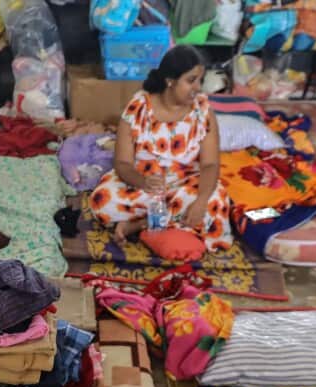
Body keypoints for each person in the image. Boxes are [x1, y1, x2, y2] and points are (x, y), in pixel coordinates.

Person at [89, 45, 232, 251]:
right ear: (170, 81)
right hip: (144, 183)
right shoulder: (138, 108)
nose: (198, 87)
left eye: (200, 80)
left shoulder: (203, 111)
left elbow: (210, 164)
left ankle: (141, 225)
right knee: (102, 202)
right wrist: (143, 181)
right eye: (191, 80)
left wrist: (200, 201)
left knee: (214, 205)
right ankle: (174, 224)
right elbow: (122, 162)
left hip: (185, 182)